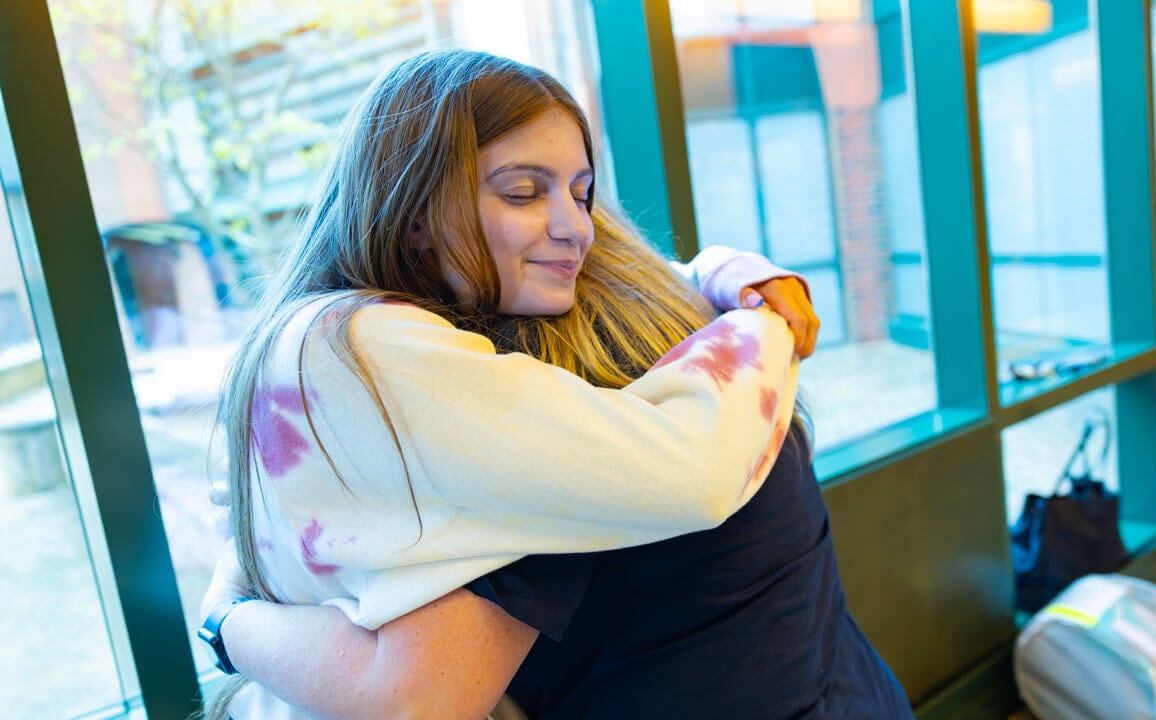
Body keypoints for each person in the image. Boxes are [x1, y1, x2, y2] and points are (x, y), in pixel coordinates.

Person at [201, 48, 912, 719]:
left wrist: (226, 617)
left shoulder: (544, 383)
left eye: (582, 193)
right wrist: (739, 294)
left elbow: (420, 692)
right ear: (412, 209)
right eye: (522, 191)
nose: (576, 227)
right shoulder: (652, 333)